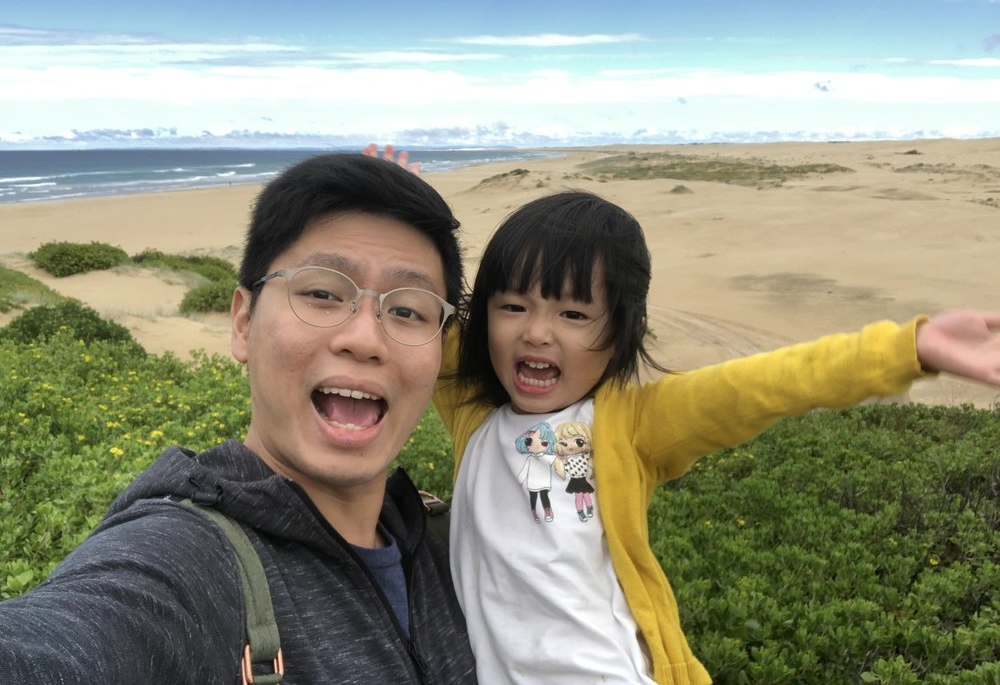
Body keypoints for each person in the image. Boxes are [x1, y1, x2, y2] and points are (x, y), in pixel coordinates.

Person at [426, 188, 1000, 685]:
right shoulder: (470, 405)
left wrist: (907, 349)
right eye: (512, 305)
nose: (536, 333)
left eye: (574, 315)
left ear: (628, 331)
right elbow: (408, 298)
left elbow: (763, 385)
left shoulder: (633, 427)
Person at [0, 154, 478, 683]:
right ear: (243, 323)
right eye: (322, 293)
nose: (365, 338)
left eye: (407, 309)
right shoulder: (184, 564)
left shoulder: (450, 547)